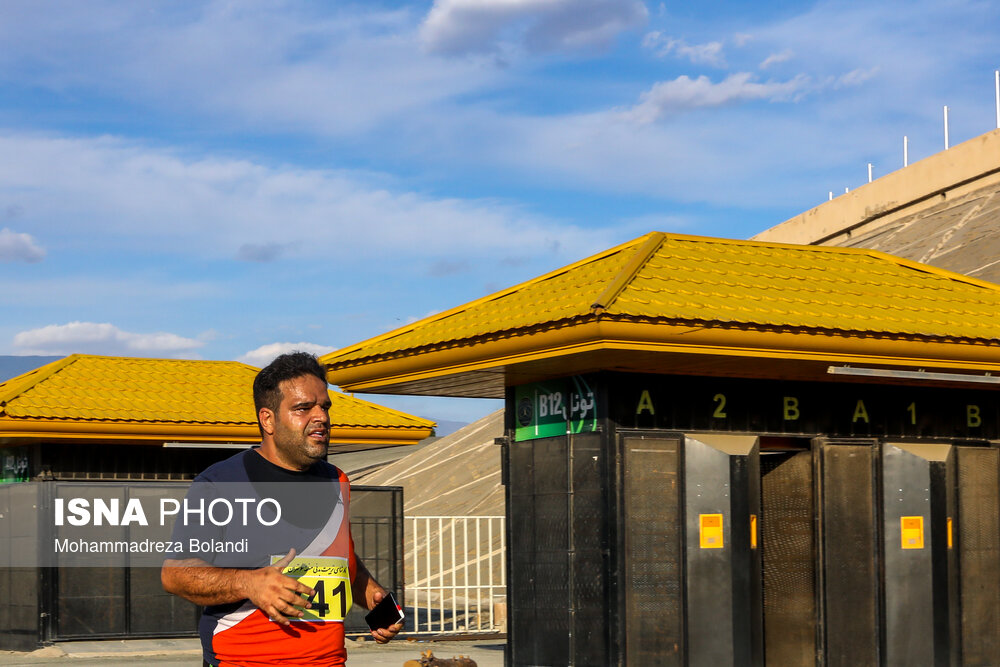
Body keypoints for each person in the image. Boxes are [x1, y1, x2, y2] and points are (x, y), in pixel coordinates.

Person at [162, 352, 402, 666]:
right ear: (268, 419)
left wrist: (371, 595)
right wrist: (249, 583)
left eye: (324, 406)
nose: (321, 417)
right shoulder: (219, 483)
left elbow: (336, 557)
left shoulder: (337, 481)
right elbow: (175, 574)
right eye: (303, 408)